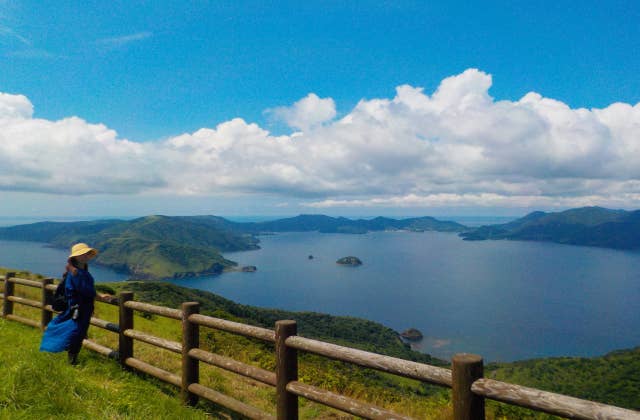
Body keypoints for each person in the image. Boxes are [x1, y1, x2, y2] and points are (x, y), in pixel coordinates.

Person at [40, 243, 99, 365]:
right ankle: (71, 360)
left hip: (79, 307)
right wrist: (98, 295)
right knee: (77, 332)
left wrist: (97, 295)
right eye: (81, 254)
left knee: (73, 330)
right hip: (80, 308)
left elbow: (85, 289)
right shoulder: (76, 272)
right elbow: (85, 290)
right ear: (75, 257)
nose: (85, 256)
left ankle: (70, 356)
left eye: (86, 253)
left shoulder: (79, 271)